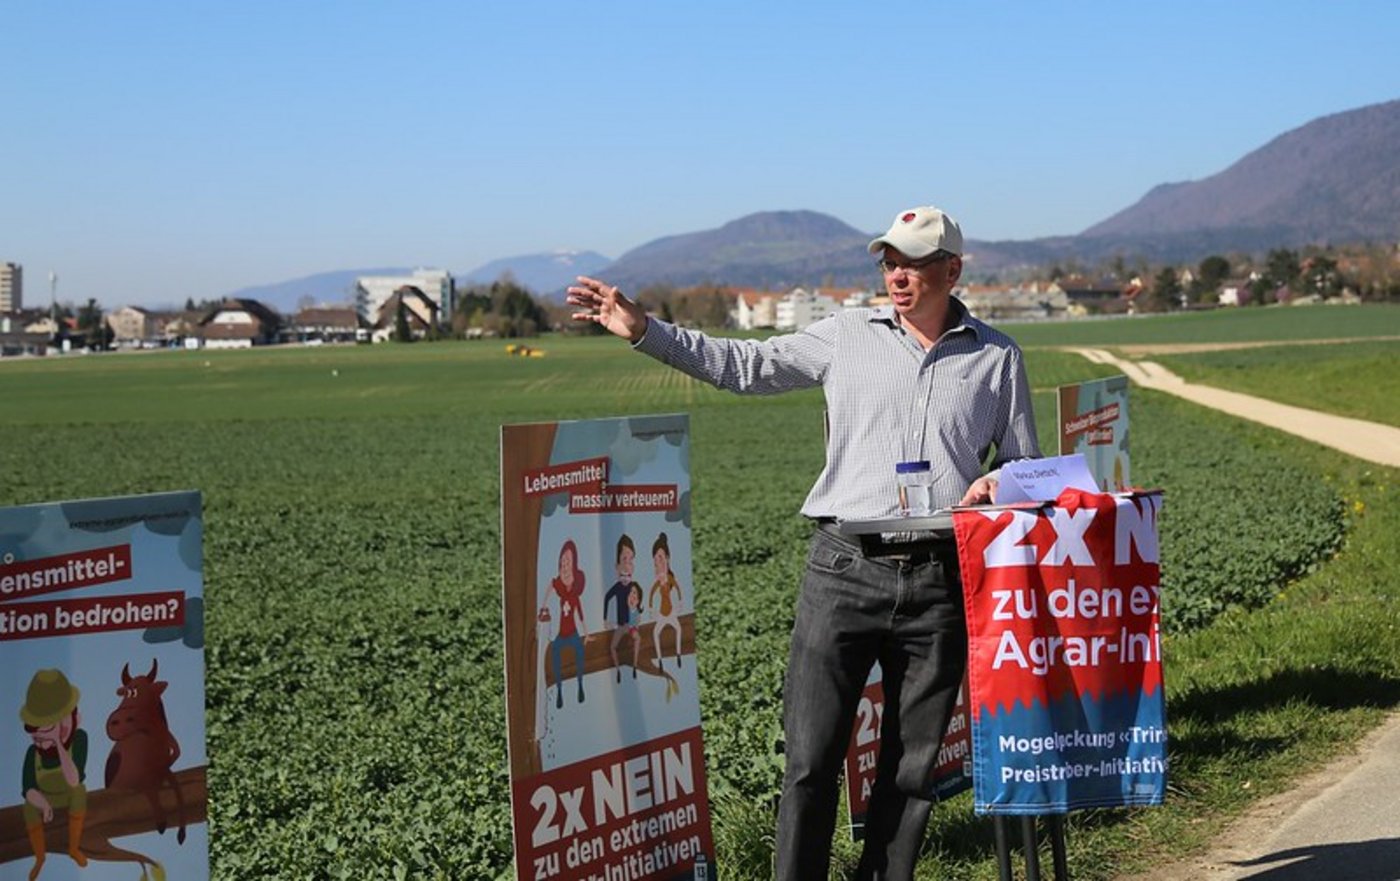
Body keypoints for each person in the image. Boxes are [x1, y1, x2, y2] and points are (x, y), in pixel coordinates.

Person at [567, 205, 1039, 881]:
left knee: (910, 771)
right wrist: (645, 331)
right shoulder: (845, 335)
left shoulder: (997, 357)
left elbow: (1024, 468)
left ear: (952, 270)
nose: (896, 275)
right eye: (888, 261)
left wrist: (994, 485)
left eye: (911, 262)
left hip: (940, 579)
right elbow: (744, 365)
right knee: (811, 762)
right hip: (843, 570)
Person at [20, 668, 90, 879]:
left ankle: (73, 848)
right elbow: (29, 788)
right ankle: (40, 858)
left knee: (79, 793)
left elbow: (73, 779)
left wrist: (58, 742)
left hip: (69, 795)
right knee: (28, 807)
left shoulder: (79, 740)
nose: (39, 738)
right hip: (45, 799)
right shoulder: (33, 753)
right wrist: (43, 804)